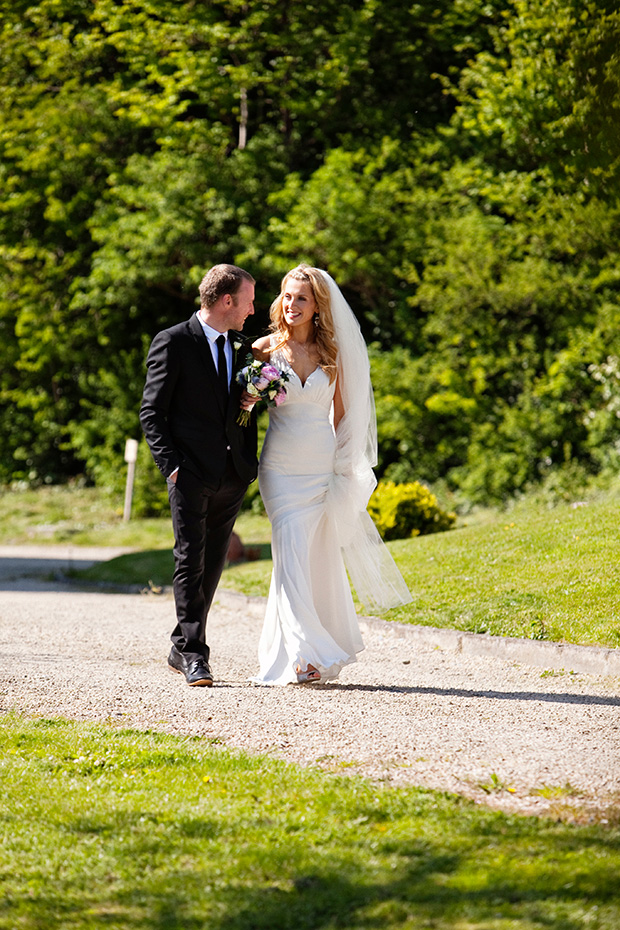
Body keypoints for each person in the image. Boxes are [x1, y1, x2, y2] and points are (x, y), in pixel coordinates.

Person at [244, 264, 411, 685]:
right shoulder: (263, 349)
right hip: (279, 469)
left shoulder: (331, 355)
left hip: (319, 468)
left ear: (317, 305)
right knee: (289, 549)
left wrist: (343, 468)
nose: (292, 304)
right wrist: (248, 399)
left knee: (313, 557)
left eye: (301, 297)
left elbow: (342, 417)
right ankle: (303, 652)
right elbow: (241, 407)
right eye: (287, 296)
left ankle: (306, 650)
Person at [140, 263, 258, 686]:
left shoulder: (243, 347)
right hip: (188, 473)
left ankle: (180, 642)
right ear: (227, 300)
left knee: (212, 564)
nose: (252, 308)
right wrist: (171, 467)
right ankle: (194, 654)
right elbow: (151, 411)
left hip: (233, 473)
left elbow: (241, 407)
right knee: (189, 559)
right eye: (248, 300)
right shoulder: (172, 342)